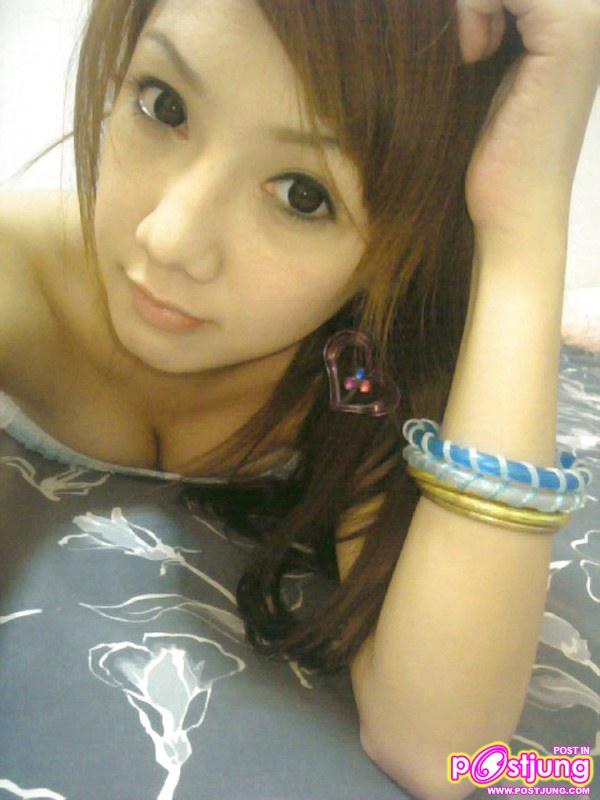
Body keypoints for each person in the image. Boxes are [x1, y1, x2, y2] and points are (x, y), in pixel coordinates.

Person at [0, 1, 598, 797]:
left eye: (303, 195)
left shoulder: (357, 376)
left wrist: (524, 233)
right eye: (164, 105)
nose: (170, 239)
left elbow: (444, 753)